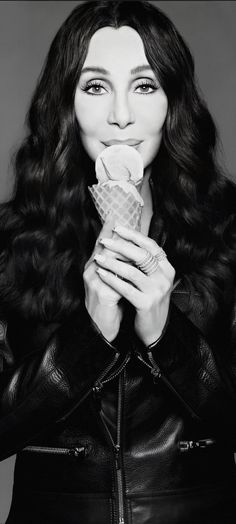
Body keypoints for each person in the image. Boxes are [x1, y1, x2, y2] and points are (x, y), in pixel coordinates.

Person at [0, 0, 236, 522]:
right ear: (66, 104)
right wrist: (88, 336)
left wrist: (166, 335)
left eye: (145, 86)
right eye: (96, 86)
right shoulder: (10, 238)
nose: (121, 116)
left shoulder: (229, 227)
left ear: (173, 102)